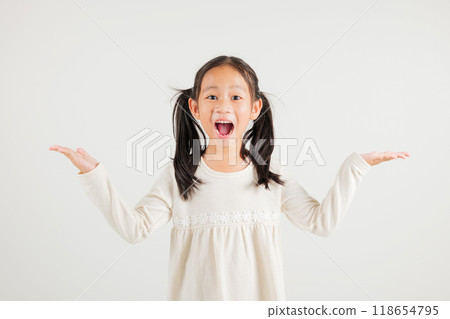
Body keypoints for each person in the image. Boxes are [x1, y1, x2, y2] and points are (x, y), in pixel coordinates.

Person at [49, 55, 410, 301]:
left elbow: (321, 223)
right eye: (212, 96)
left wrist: (355, 167)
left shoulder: (270, 177)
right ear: (195, 108)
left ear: (254, 109)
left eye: (236, 97)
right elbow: (135, 228)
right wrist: (94, 173)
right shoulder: (181, 176)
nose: (223, 105)